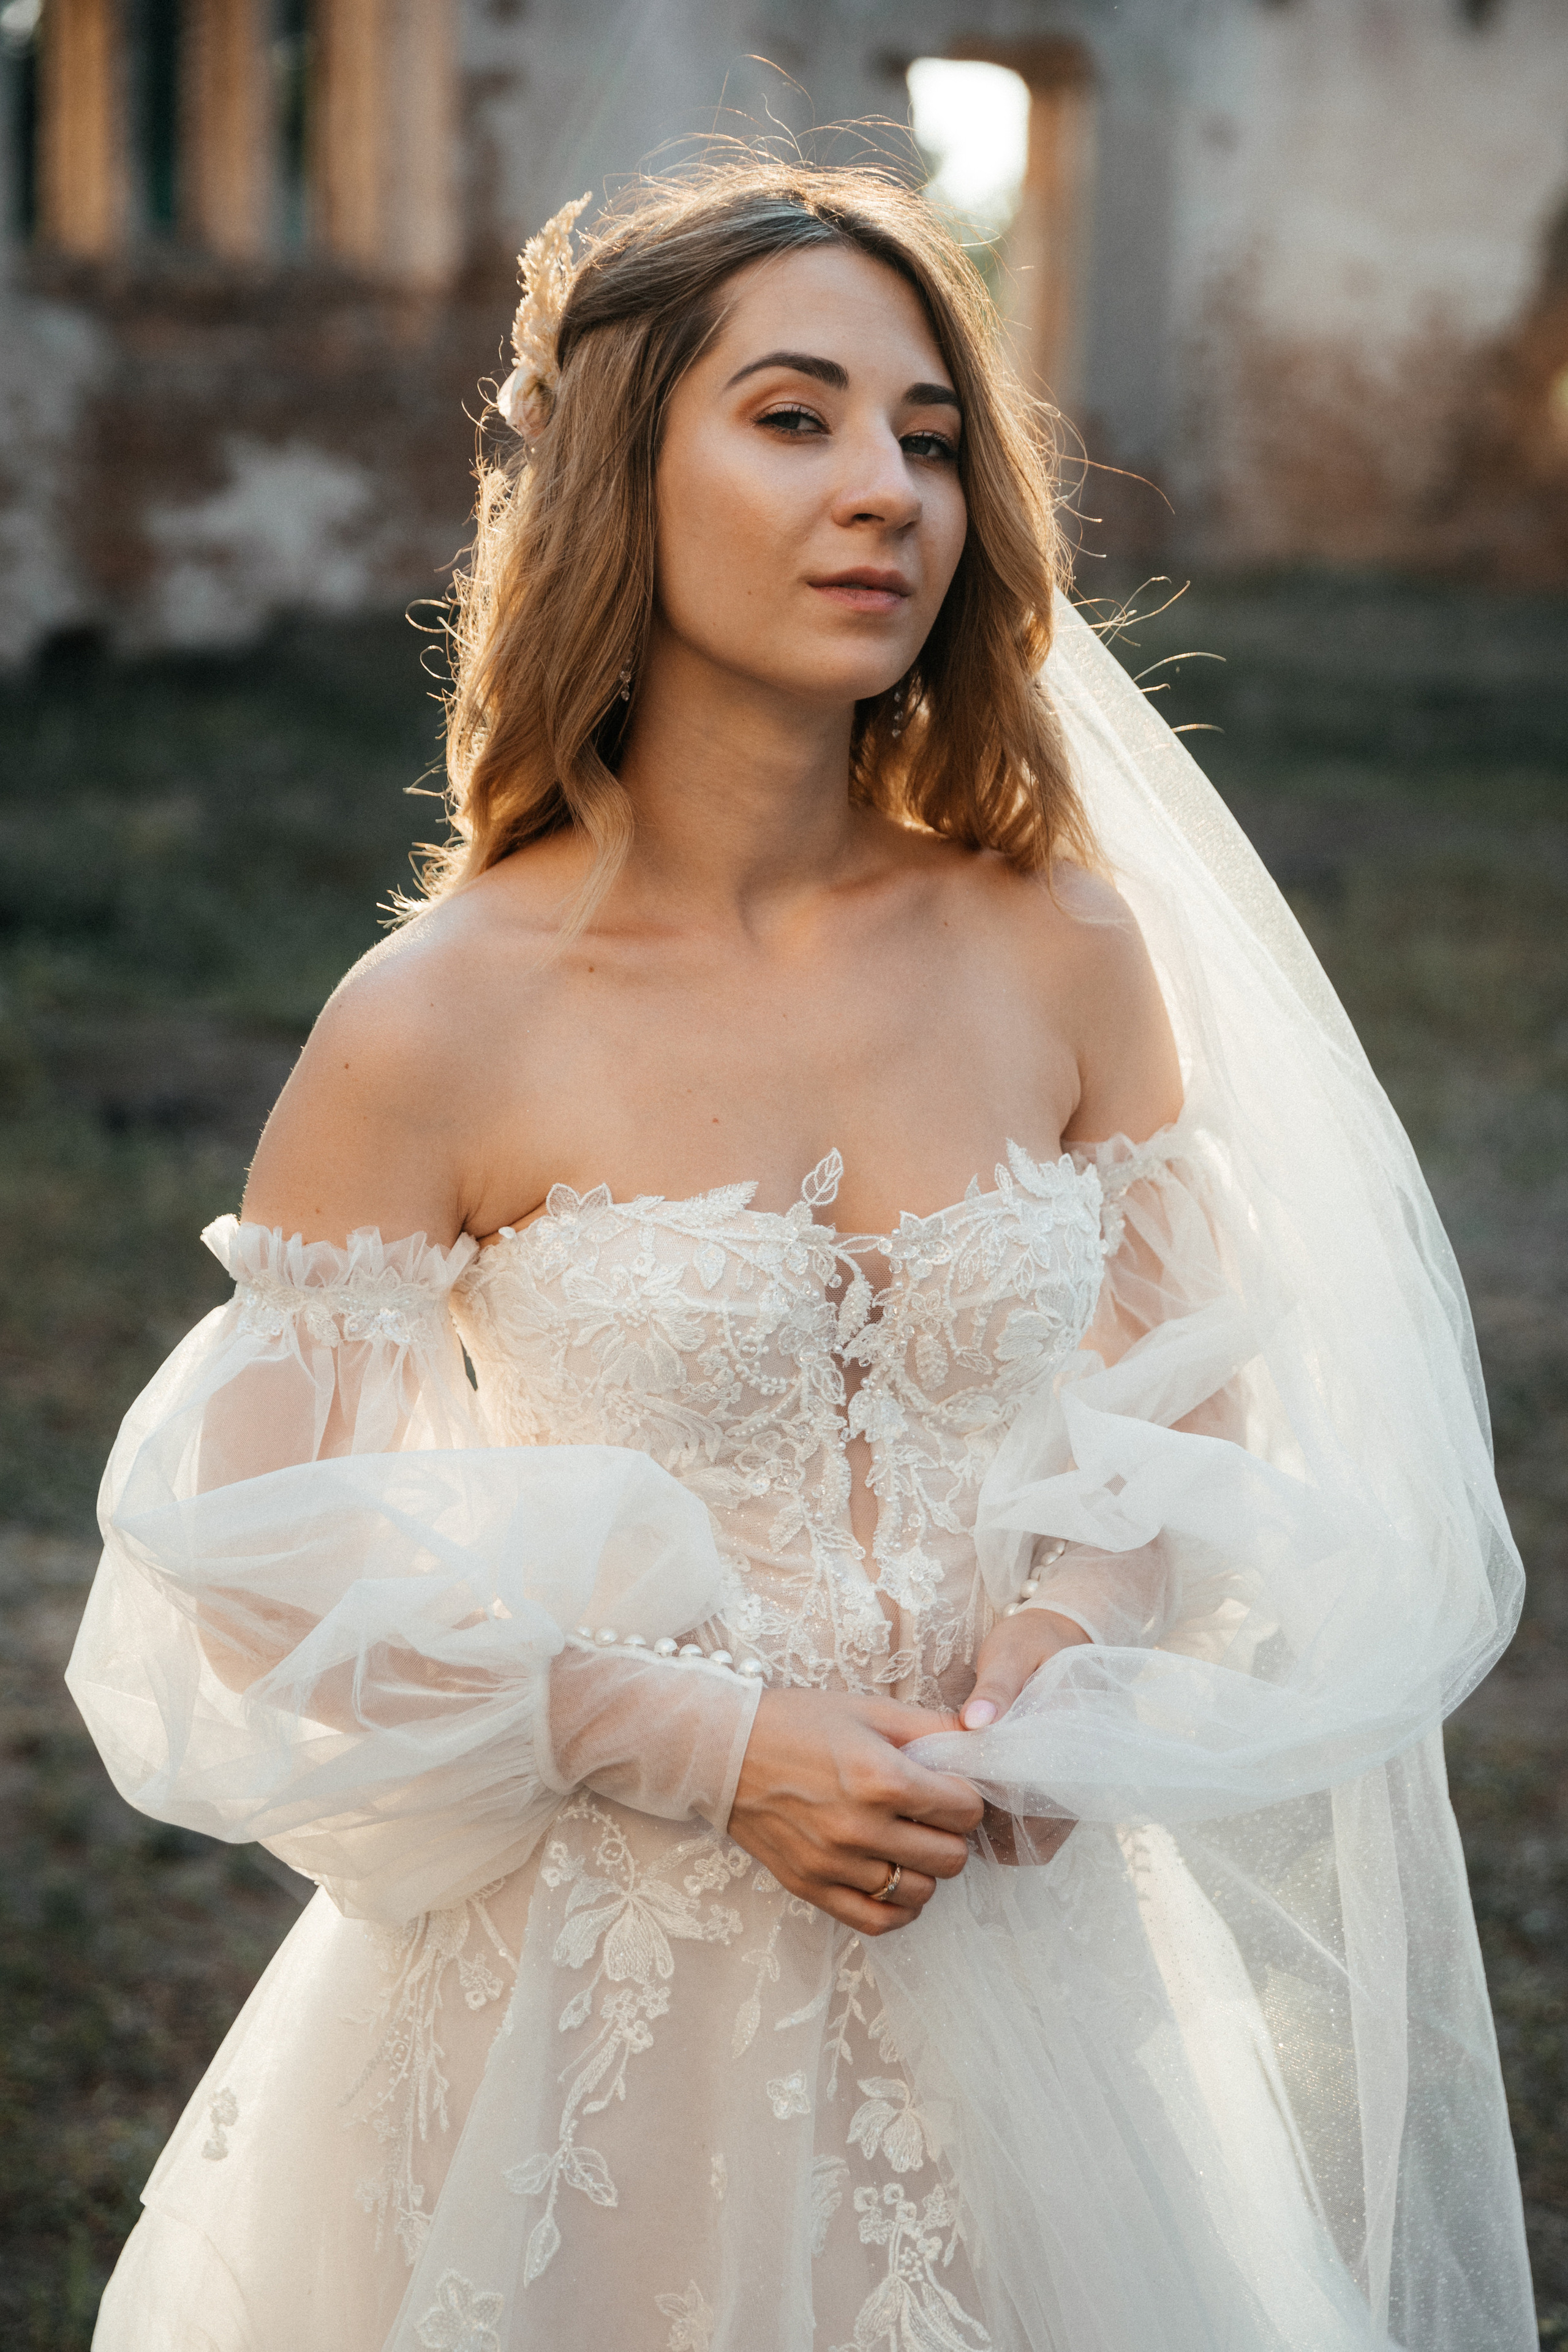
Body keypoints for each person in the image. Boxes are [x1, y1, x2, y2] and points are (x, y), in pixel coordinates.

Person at [70, 160, 1534, 2352]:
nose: (887, 493)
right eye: (794, 417)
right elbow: (255, 1563)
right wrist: (690, 1736)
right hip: (592, 2018)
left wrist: (1077, 1623)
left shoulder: (1057, 944)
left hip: (1030, 1970)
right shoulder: (441, 1017)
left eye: (929, 436)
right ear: (614, 473)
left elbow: (1187, 1368)